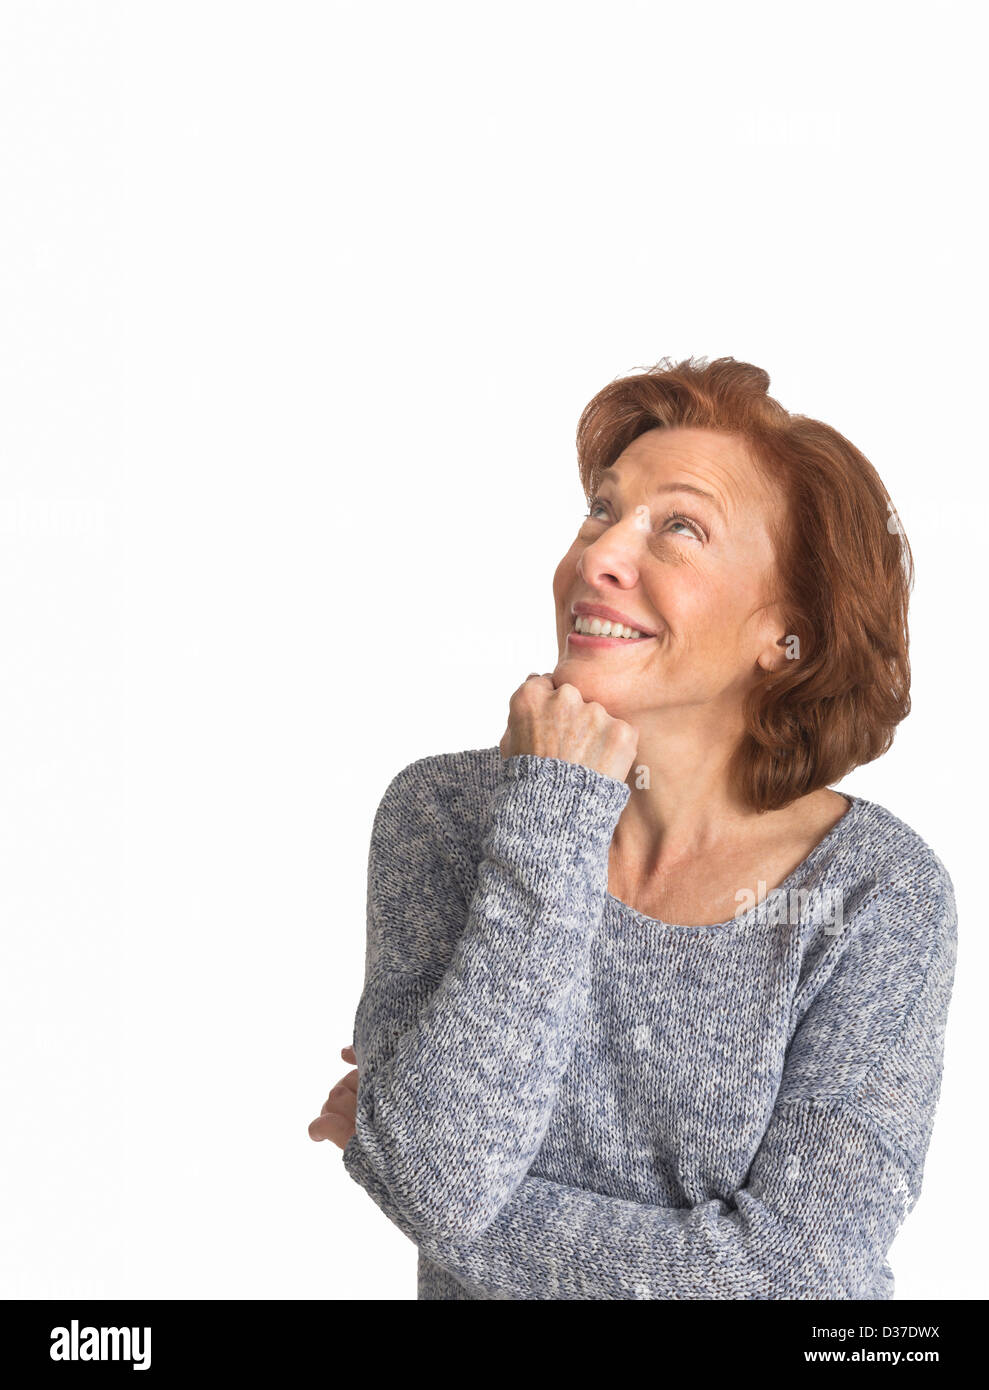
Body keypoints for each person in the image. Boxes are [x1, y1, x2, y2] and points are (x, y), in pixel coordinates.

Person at [309, 356, 957, 1300]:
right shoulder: (444, 820)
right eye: (601, 513)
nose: (599, 557)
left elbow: (797, 1278)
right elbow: (440, 1177)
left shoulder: (874, 893)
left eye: (680, 529)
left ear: (788, 636)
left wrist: (398, 1155)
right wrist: (551, 819)